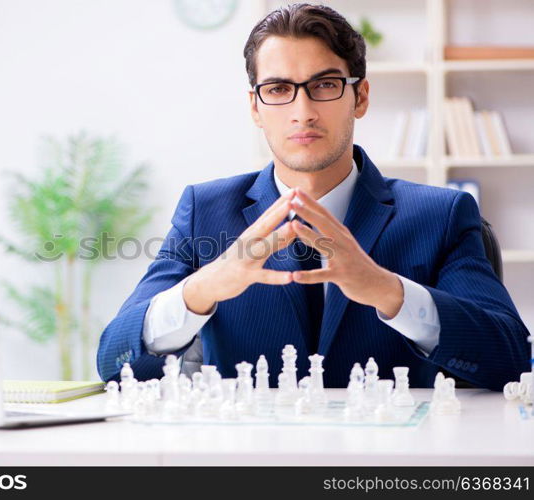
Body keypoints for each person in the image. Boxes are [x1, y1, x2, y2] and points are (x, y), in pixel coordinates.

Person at [96, 3, 530, 390]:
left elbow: (511, 357)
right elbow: (113, 357)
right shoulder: (204, 211)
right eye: (279, 89)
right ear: (255, 107)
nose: (302, 111)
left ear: (359, 96)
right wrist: (205, 286)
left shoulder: (441, 214)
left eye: (324, 85)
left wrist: (388, 290)